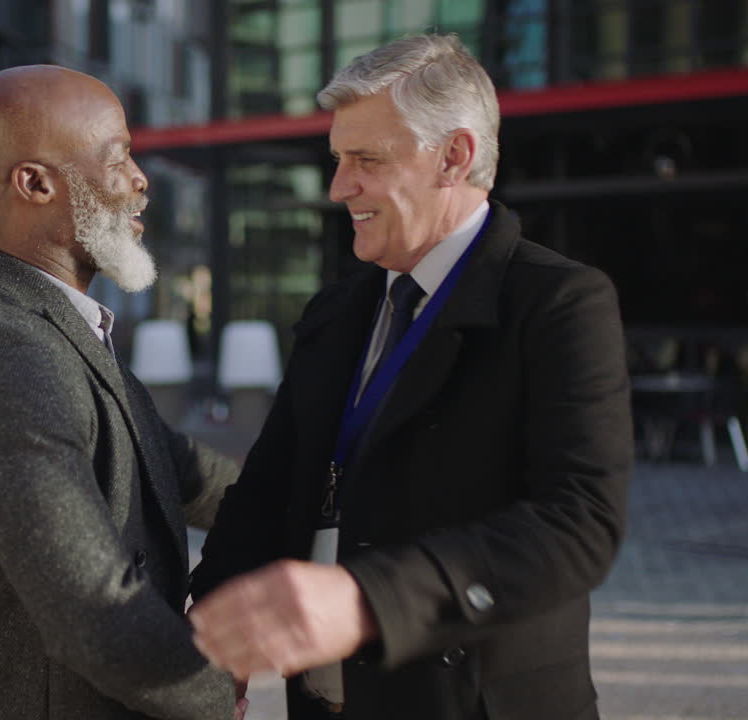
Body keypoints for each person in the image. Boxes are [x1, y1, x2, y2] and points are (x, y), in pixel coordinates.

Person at [189, 34, 633, 720]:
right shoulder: (335, 310)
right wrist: (208, 637)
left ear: (454, 156)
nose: (340, 188)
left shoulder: (558, 303)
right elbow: (270, 490)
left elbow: (579, 525)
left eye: (366, 160)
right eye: (338, 160)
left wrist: (369, 601)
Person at [0, 65, 244, 720]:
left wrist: (345, 518)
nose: (140, 181)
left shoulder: (58, 330)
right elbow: (95, 611)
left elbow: (193, 476)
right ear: (36, 184)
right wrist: (213, 693)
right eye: (119, 159)